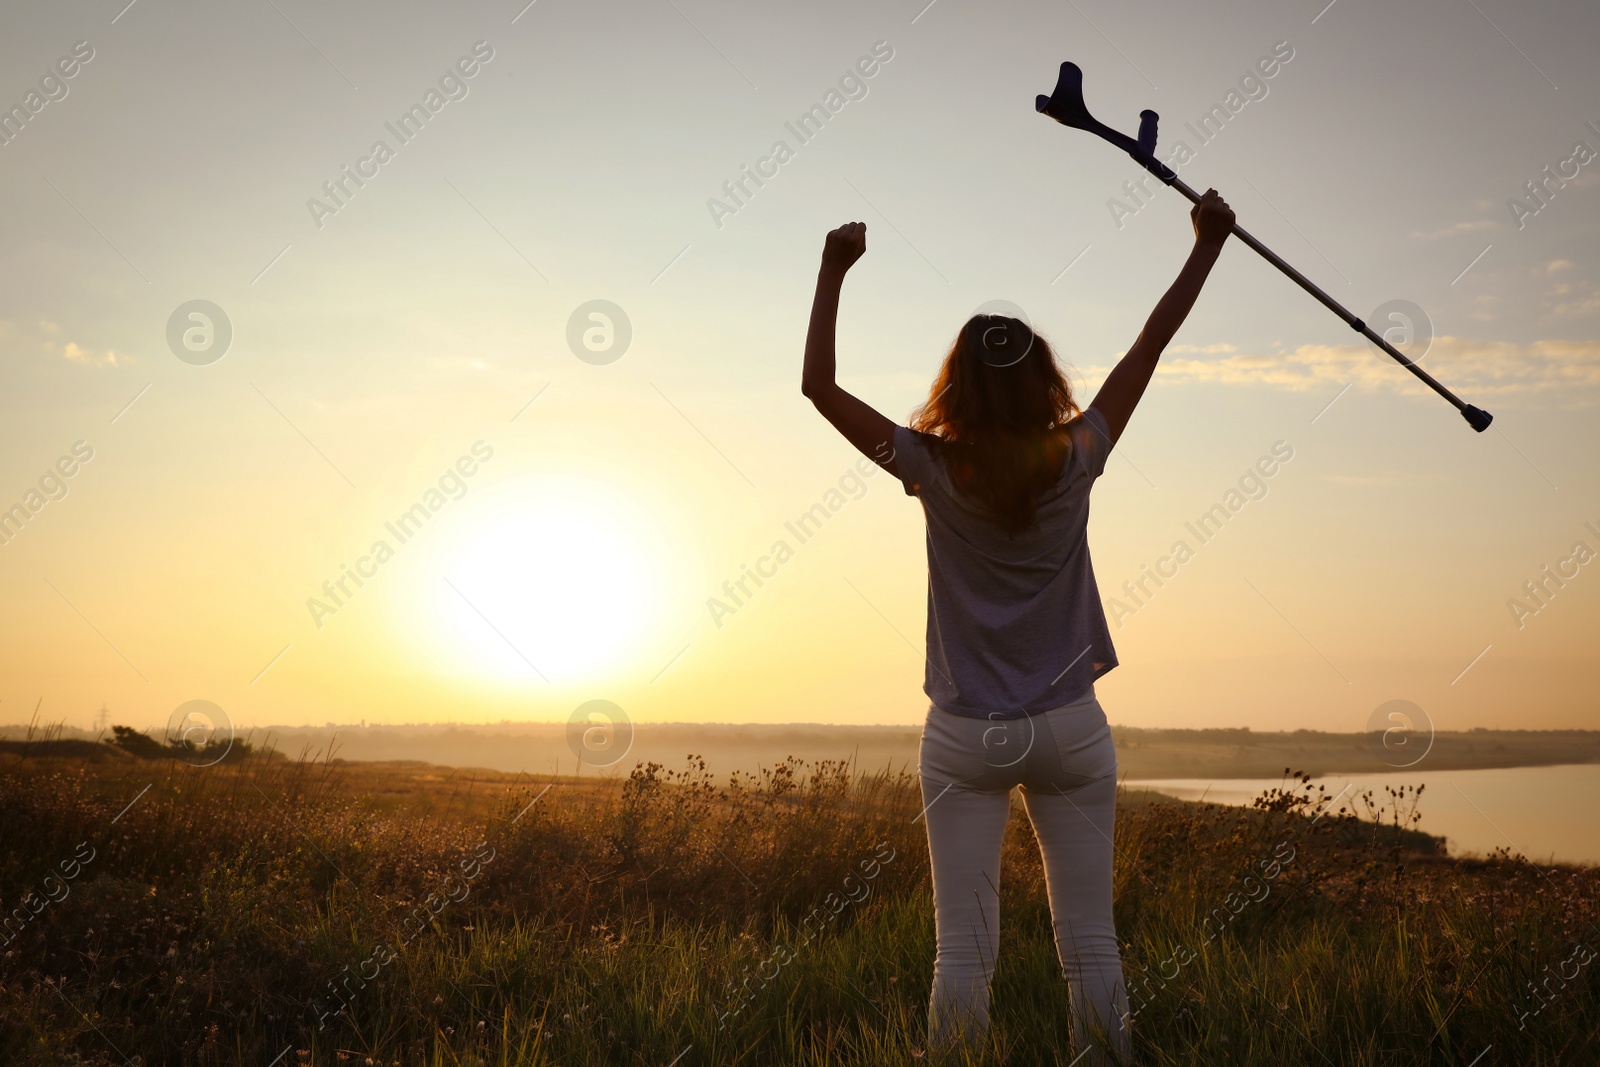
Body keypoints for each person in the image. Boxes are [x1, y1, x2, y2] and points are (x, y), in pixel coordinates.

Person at [800, 189, 1236, 1064]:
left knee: (961, 952)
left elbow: (817, 387)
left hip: (964, 734)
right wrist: (1206, 246)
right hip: (1072, 728)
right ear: (1044, 381)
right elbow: (1152, 341)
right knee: (1092, 945)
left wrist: (833, 269)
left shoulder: (926, 465)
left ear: (957, 385)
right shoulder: (1079, 454)